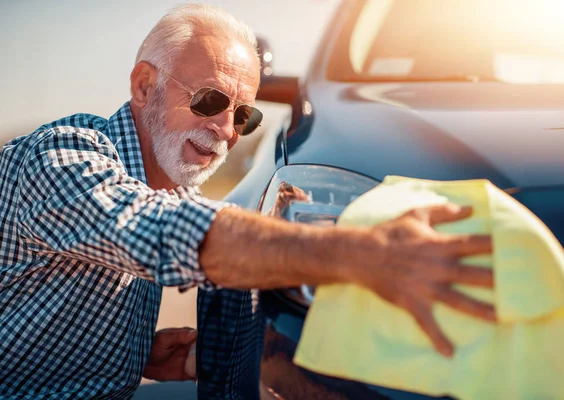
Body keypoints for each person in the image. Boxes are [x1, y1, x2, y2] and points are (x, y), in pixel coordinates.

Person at [0, 4, 495, 399]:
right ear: (144, 85)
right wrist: (364, 252)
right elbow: (165, 230)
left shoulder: (170, 182)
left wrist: (120, 351)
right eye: (210, 100)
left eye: (244, 117)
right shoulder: (59, 159)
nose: (225, 130)